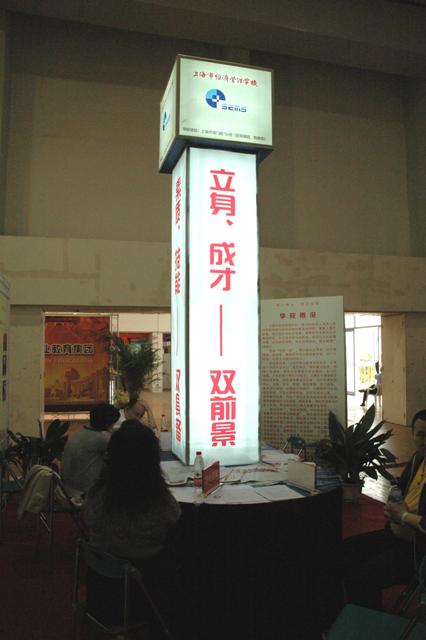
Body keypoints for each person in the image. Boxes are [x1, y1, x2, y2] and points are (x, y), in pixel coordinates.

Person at [84, 420, 182, 634]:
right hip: (144, 591)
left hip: (101, 590)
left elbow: (89, 518)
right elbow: (174, 516)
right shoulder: (156, 498)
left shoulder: (99, 492)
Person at [342, 409, 426, 610]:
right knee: (342, 553)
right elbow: (400, 491)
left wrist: (404, 516)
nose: (425, 441)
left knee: (361, 578)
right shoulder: (418, 460)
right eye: (421, 434)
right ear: (413, 435)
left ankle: (370, 622)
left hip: (417, 552)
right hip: (394, 536)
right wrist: (393, 505)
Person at [61, 402, 120, 499]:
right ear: (107, 424)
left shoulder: (80, 432)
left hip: (67, 489)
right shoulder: (101, 438)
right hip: (83, 494)